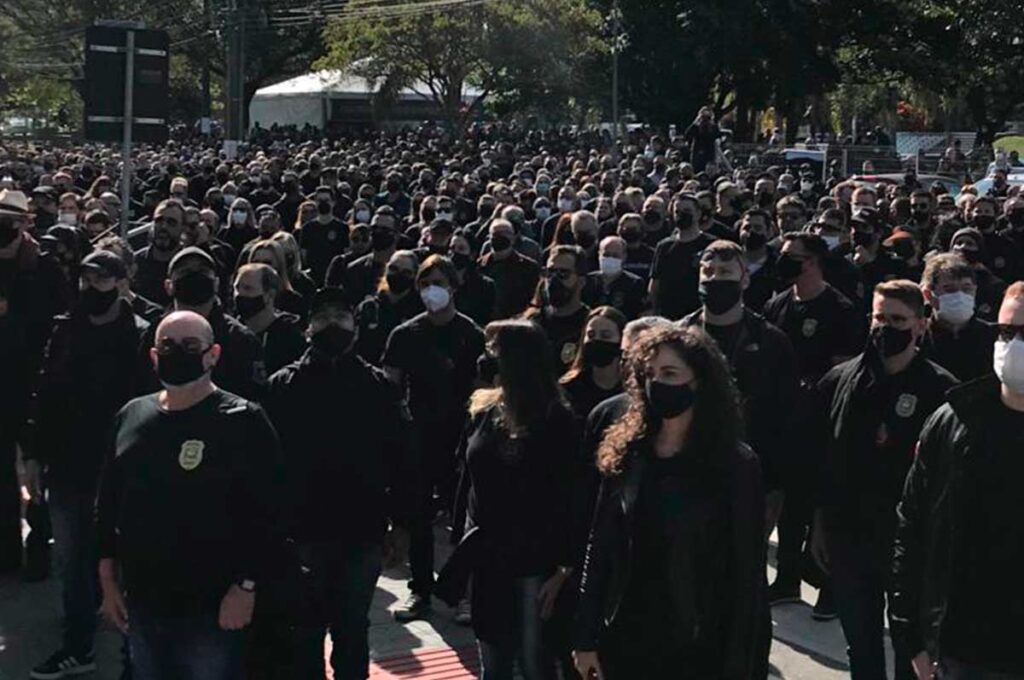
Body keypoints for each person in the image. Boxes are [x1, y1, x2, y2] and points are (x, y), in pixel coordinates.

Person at [572, 325, 766, 679]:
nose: (657, 383)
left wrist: (742, 662)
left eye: (670, 373)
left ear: (699, 382)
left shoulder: (734, 465)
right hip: (627, 635)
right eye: (650, 374)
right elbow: (599, 547)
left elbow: (746, 575)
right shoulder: (627, 453)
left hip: (699, 643)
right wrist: (585, 636)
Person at [96, 311, 281, 680]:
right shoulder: (132, 415)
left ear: (213, 354)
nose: (177, 352)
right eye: (167, 345)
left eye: (190, 346)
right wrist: (107, 580)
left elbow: (270, 513)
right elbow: (109, 502)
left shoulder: (243, 420)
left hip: (212, 608)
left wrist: (247, 586)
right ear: (153, 356)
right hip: (145, 603)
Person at [810, 280, 957, 680]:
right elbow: (822, 458)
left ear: (920, 325)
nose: (885, 327)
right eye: (879, 317)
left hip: (908, 544)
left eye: (898, 319)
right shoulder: (840, 381)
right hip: (848, 534)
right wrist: (819, 522)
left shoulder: (941, 391)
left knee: (912, 649)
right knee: (862, 642)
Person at [264, 288, 413, 680]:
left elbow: (402, 461)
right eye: (323, 315)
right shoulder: (282, 386)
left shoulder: (379, 387)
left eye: (341, 315)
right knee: (304, 632)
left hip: (360, 531)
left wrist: (402, 523)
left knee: (352, 627)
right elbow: (266, 466)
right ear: (308, 327)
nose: (332, 323)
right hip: (301, 532)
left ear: (356, 327)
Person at [25, 250, 149, 680]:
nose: (90, 288)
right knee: (72, 556)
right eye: (84, 279)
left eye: (100, 280)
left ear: (119, 282)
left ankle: (133, 650)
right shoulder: (65, 329)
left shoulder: (137, 334)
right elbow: (45, 392)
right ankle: (78, 644)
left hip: (117, 465)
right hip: (66, 460)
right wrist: (33, 454)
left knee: (118, 557)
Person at [891, 283, 1024, 680]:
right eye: (1006, 331)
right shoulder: (953, 421)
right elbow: (912, 526)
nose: (1014, 344)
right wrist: (909, 635)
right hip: (961, 651)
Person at [436, 319, 577, 680]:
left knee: (534, 663)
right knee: (494, 661)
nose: (486, 358)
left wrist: (564, 567)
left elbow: (569, 496)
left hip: (536, 560)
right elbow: (467, 481)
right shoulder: (484, 411)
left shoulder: (556, 420)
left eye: (493, 349)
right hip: (488, 557)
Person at [762, 232, 862, 619]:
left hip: (822, 424)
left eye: (792, 257)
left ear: (813, 262)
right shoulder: (777, 305)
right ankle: (786, 579)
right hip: (784, 424)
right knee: (789, 510)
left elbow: (843, 369)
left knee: (822, 510)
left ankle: (828, 587)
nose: (783, 262)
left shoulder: (840, 308)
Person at [383, 255, 485, 621]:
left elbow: (482, 389)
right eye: (424, 284)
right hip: (419, 439)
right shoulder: (405, 334)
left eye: (438, 283)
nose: (431, 291)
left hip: (460, 438)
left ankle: (465, 594)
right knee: (419, 519)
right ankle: (420, 590)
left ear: (454, 287)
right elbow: (391, 385)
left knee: (463, 522)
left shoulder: (471, 334)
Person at [680, 239, 799, 535]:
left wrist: (776, 488)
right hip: (686, 473)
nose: (714, 279)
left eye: (725, 272)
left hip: (746, 478)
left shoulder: (772, 342)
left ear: (745, 279)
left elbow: (785, 420)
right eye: (708, 271)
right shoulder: (678, 338)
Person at [140, 247, 266, 400]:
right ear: (168, 286)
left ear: (216, 284)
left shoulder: (241, 340)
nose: (194, 276)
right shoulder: (152, 334)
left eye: (203, 271)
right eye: (184, 272)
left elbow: (253, 398)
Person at [920, 253, 996, 382]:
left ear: (975, 291)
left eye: (966, 288)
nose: (959, 295)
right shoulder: (917, 339)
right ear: (928, 295)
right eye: (949, 289)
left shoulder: (994, 336)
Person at [523, 245, 591, 373]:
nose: (553, 280)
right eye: (549, 273)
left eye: (563, 274)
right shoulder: (531, 323)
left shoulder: (590, 326)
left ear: (581, 281)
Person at [232, 263, 306, 376]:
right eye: (237, 288)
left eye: (248, 288)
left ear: (269, 295)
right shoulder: (232, 332)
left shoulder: (290, 338)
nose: (239, 294)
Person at [648, 193, 713, 320]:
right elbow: (655, 284)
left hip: (700, 316)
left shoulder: (710, 245)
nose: (682, 214)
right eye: (677, 211)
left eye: (687, 210)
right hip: (668, 316)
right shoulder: (664, 246)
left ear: (698, 214)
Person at [353, 250, 423, 364]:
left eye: (406, 272)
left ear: (415, 276)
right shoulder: (368, 307)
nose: (398, 274)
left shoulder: (419, 310)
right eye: (393, 269)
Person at [559, 306, 627, 422]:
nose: (596, 340)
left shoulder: (632, 388)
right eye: (591, 335)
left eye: (606, 336)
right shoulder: (569, 388)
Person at [479, 218, 541, 320]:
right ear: (489, 238)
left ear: (513, 237)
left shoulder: (529, 267)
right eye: (496, 233)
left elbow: (535, 300)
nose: (500, 236)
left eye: (505, 233)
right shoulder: (479, 267)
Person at [134, 200, 185, 306]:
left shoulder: (188, 264)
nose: (164, 227)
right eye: (159, 220)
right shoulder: (135, 263)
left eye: (171, 222)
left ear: (182, 228)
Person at [582, 236, 647, 320]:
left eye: (615, 255)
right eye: (606, 255)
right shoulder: (587, 281)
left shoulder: (635, 283)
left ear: (624, 257)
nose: (610, 258)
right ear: (599, 254)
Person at [297, 186, 349, 284]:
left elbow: (346, 253)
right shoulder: (307, 228)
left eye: (326, 200)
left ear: (333, 202)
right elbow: (304, 255)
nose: (323, 203)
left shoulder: (342, 227)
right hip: (313, 278)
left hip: (336, 277)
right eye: (320, 200)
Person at [449, 231, 495, 326]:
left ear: (472, 255)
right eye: (452, 248)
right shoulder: (440, 280)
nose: (455, 253)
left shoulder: (485, 285)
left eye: (461, 248)